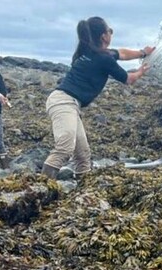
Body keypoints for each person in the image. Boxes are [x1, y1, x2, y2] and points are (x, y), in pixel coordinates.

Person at [41, 16, 154, 179]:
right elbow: (129, 79)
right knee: (64, 148)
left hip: (70, 104)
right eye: (110, 31)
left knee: (82, 154)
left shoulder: (90, 51)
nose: (111, 34)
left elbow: (122, 53)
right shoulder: (103, 58)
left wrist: (143, 53)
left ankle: (82, 189)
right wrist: (142, 71)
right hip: (63, 102)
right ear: (103, 36)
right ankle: (41, 186)